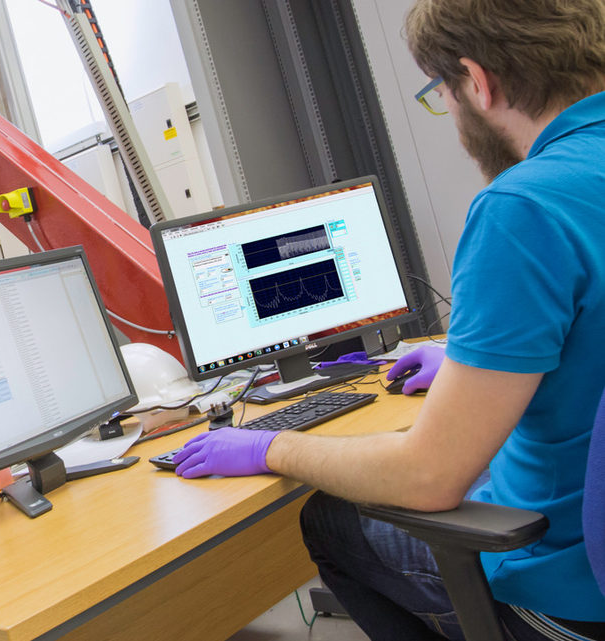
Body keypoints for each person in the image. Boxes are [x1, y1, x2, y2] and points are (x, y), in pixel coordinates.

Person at [171, 1, 605, 639]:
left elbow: (428, 478)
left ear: (476, 82)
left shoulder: (523, 207)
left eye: (442, 93)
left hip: (567, 595)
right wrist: (465, 357)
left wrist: (271, 446)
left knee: (333, 521)